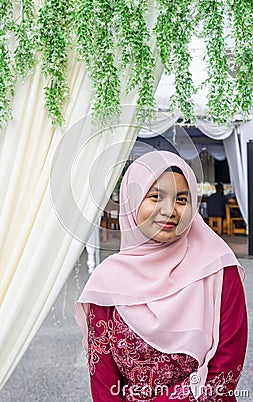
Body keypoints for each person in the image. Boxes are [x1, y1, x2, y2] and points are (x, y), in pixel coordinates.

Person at [75, 151, 247, 401]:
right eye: (155, 196)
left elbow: (225, 370)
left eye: (181, 199)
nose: (169, 210)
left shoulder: (219, 270)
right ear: (132, 201)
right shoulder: (107, 281)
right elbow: (103, 380)